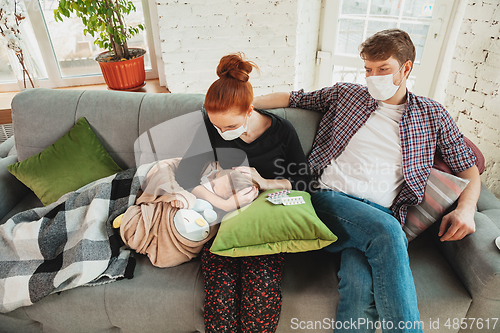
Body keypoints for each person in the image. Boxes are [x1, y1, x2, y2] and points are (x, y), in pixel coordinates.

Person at [253, 29, 480, 332]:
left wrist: (465, 209)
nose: (373, 77)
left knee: (359, 288)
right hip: (327, 199)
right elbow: (293, 98)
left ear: (406, 68)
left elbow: (468, 168)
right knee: (388, 232)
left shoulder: (432, 114)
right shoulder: (347, 94)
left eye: (383, 69)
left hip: (379, 214)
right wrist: (242, 104)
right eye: (368, 70)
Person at [177, 53, 311, 332]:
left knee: (261, 295)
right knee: (221, 297)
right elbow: (185, 175)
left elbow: (304, 181)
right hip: (225, 219)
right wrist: (223, 202)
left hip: (265, 222)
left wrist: (265, 181)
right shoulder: (208, 127)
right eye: (217, 126)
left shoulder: (282, 131)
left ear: (250, 111)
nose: (222, 132)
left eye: (230, 126)